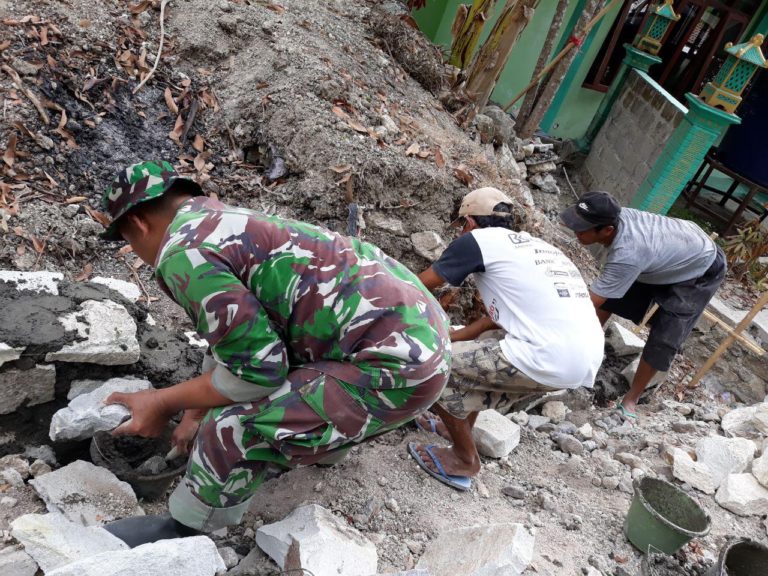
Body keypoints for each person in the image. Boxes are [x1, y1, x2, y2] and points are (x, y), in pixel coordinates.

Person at [98, 160, 451, 545]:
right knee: (259, 382)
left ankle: (188, 528)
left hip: (400, 369)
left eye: (127, 240)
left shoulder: (183, 253)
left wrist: (162, 403)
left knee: (233, 423)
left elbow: (256, 374)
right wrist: (192, 411)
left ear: (137, 225)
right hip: (420, 328)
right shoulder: (220, 219)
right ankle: (320, 444)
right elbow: (233, 337)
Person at [410, 187, 604, 490]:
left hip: (548, 354)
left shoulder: (477, 241)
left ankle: (464, 459)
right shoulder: (536, 249)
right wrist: (456, 336)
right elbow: (495, 320)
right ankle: (455, 429)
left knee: (439, 365)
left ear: (471, 223)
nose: (462, 232)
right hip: (584, 356)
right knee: (474, 353)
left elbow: (416, 288)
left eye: (462, 225)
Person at [560, 191, 726, 419]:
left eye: (581, 228)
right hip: (666, 254)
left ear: (607, 230)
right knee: (609, 297)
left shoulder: (629, 253)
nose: (574, 231)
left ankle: (631, 399)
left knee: (665, 338)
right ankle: (583, 352)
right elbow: (602, 296)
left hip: (700, 266)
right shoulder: (615, 220)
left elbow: (587, 304)